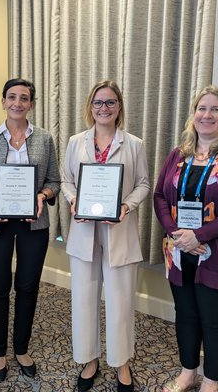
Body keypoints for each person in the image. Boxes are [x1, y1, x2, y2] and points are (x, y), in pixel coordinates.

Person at [154, 85, 218, 392]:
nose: (207, 115)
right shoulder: (179, 154)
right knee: (185, 315)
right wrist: (177, 233)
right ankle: (188, 372)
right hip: (178, 252)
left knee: (214, 321)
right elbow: (160, 196)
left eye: (215, 109)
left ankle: (211, 382)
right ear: (193, 114)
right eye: (202, 108)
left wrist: (199, 235)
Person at [0, 78, 60, 382]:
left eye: (24, 98)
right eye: (12, 97)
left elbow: (54, 182)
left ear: (32, 104)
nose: (17, 103)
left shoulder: (45, 139)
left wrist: (42, 196)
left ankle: (21, 348)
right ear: (3, 101)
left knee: (28, 287)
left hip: (34, 224)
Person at [61, 80, 150, 392]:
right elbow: (66, 180)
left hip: (119, 231)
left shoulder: (134, 144)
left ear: (119, 107)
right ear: (90, 106)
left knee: (120, 299)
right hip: (83, 230)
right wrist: (73, 200)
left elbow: (143, 184)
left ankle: (122, 362)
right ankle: (89, 359)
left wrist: (127, 205)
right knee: (83, 298)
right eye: (98, 102)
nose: (104, 108)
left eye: (110, 102)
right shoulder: (75, 142)